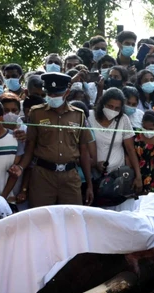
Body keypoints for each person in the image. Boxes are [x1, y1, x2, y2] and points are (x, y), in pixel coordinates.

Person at [9, 73, 93, 207]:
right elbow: (30, 146)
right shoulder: (36, 113)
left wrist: (89, 184)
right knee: (42, 219)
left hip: (70, 177)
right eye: (50, 93)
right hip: (43, 176)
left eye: (57, 94)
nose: (53, 97)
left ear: (67, 92)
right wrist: (20, 167)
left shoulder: (78, 115)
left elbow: (84, 152)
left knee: (71, 218)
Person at [90, 88, 142, 196]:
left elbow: (130, 149)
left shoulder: (123, 119)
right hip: (93, 175)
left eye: (117, 108)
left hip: (117, 175)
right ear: (102, 103)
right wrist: (94, 164)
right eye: (110, 106)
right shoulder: (89, 117)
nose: (113, 110)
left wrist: (138, 176)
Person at [133, 110, 154, 193]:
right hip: (134, 173)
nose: (147, 131)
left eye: (151, 129)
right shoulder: (135, 134)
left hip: (151, 176)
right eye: (145, 128)